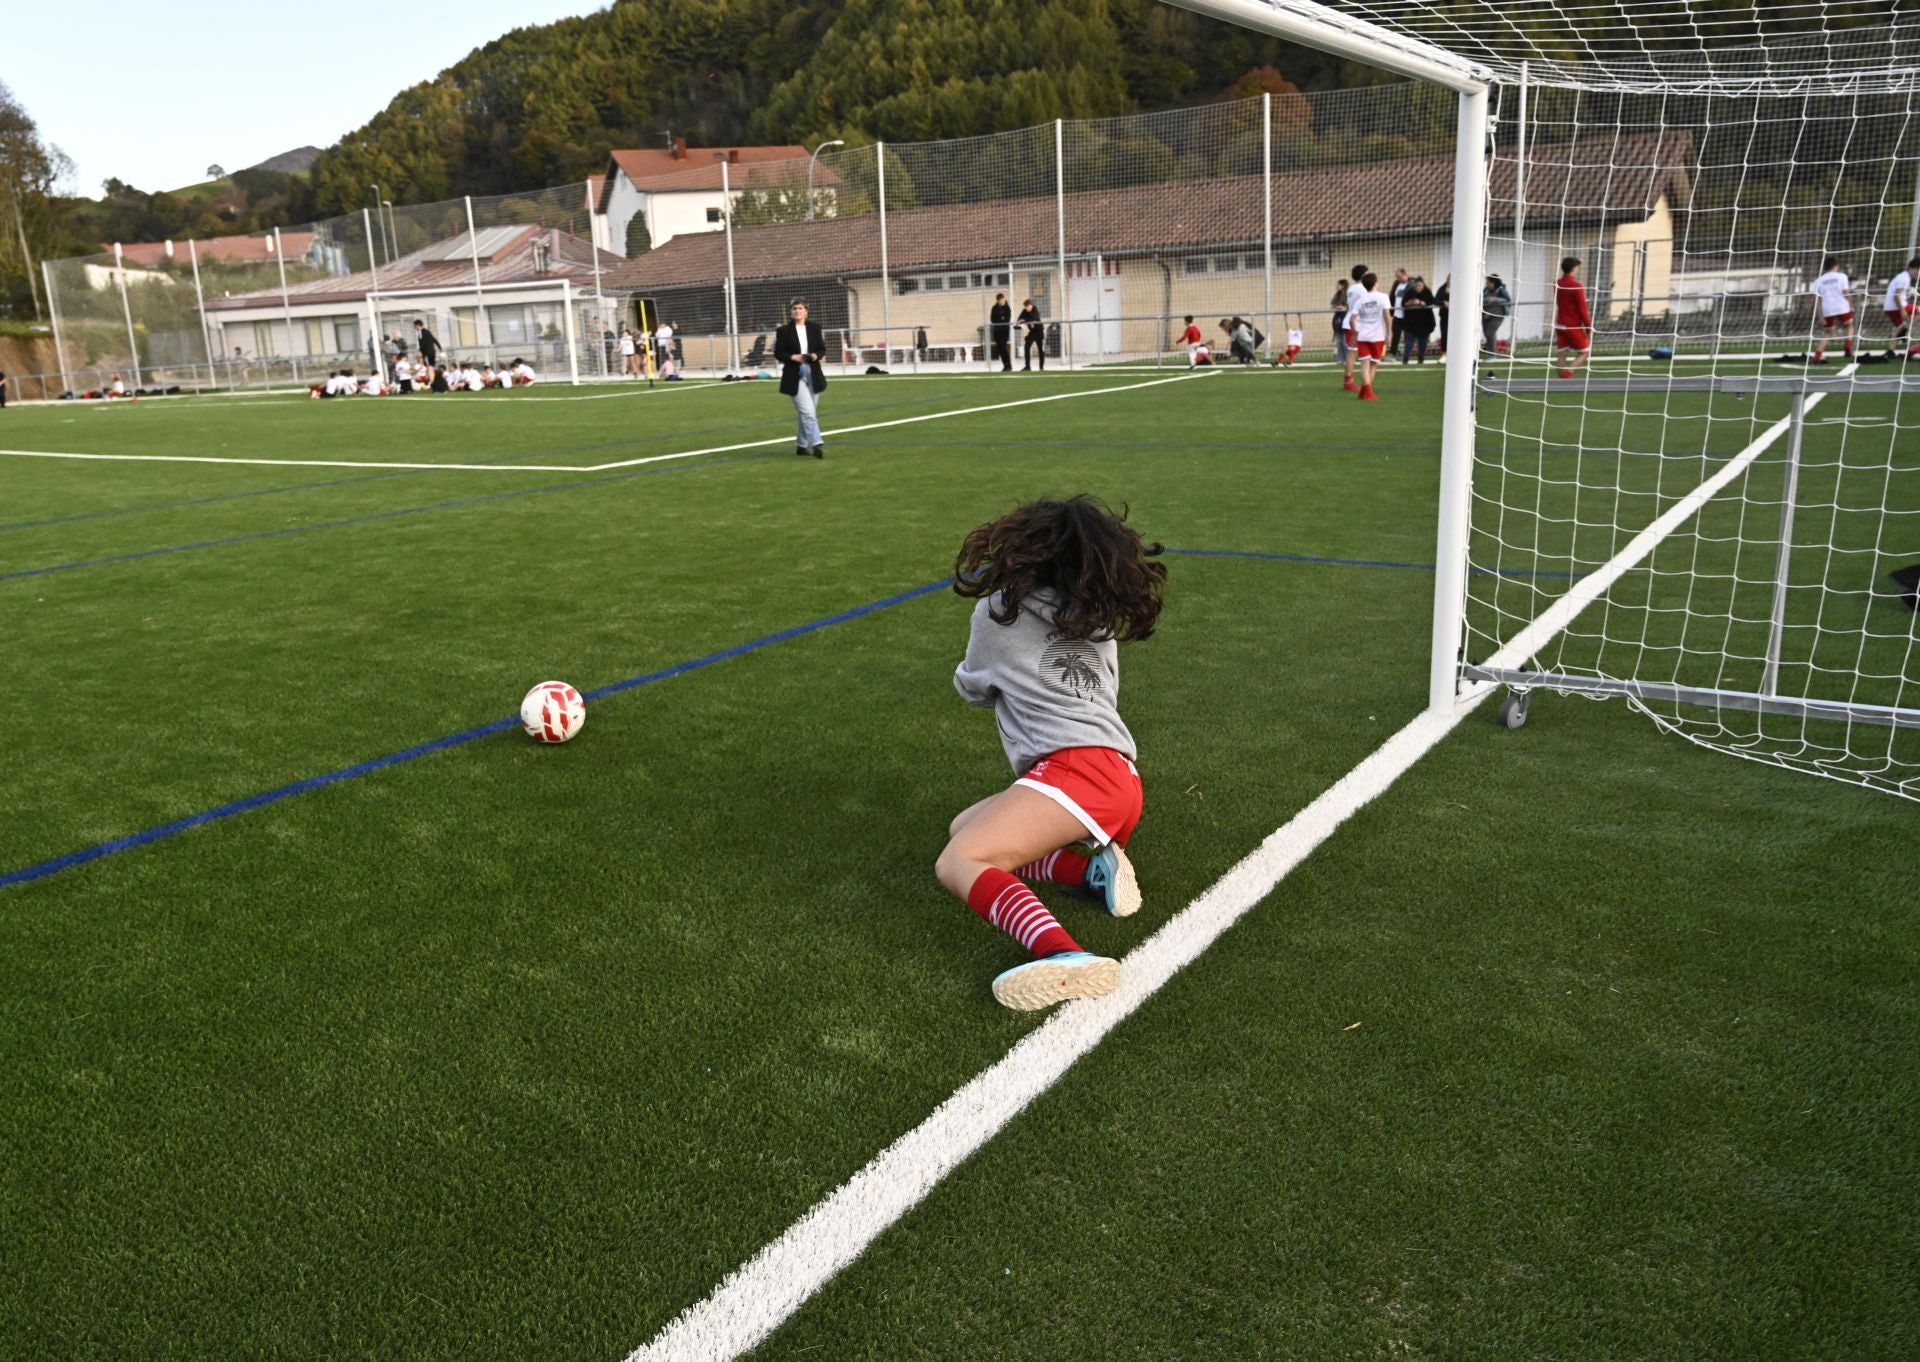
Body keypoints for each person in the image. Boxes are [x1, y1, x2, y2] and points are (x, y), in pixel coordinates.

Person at [939, 494, 1167, 1010]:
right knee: (964, 827)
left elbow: (973, 687)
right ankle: (1092, 872)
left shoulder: (998, 612)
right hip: (1118, 775)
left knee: (959, 860)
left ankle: (1064, 953)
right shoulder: (1098, 619)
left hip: (1073, 773)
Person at [775, 297, 828, 459]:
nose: (797, 311)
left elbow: (821, 349)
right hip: (794, 374)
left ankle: (801, 445)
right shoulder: (783, 331)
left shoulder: (814, 328)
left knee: (806, 412)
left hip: (813, 373)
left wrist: (814, 356)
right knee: (807, 411)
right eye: (794, 308)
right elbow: (778, 353)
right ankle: (817, 442)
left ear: (806, 311)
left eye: (800, 308)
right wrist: (793, 357)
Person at [1350, 271, 1390, 400]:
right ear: (1375, 283)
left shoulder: (1360, 300)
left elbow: (1352, 319)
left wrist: (1355, 333)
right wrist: (1390, 333)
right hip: (1377, 336)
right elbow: (1387, 317)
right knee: (1373, 364)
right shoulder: (1383, 297)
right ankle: (1368, 392)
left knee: (1364, 364)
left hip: (1362, 335)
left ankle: (1364, 391)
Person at [1810, 256, 1857, 364]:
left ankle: (1817, 355)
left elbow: (1816, 300)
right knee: (1849, 325)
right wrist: (1851, 305)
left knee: (1828, 333)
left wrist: (1820, 316)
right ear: (1836, 266)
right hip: (1842, 307)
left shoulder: (1818, 281)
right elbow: (1846, 292)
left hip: (1827, 310)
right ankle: (1847, 344)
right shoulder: (1841, 276)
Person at [1554, 256, 1593, 378]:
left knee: (1562, 352)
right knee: (1584, 352)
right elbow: (1583, 310)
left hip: (1559, 323)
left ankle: (1561, 382)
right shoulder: (1576, 286)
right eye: (1577, 268)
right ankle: (1567, 373)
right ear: (1574, 268)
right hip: (1572, 325)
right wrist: (1588, 327)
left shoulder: (1557, 284)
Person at [1884, 256, 1920, 355]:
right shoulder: (1904, 278)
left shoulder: (1902, 276)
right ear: (1913, 268)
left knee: (1900, 331)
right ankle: (1906, 330)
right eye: (1918, 270)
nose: (1918, 273)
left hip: (1889, 308)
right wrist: (1902, 310)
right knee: (1918, 311)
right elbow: (1896, 296)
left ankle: (1890, 351)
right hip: (1896, 307)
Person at [1342, 263, 1369, 391]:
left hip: (1351, 322)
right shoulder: (1362, 289)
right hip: (1354, 324)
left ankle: (1349, 381)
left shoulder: (1352, 288)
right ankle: (1348, 382)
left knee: (1353, 352)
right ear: (1363, 275)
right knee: (1352, 353)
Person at [1401, 276, 1436, 364]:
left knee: (1423, 343)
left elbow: (1432, 301)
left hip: (1424, 323)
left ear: (1423, 285)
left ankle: (1421, 359)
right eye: (1417, 286)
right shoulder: (1410, 292)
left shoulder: (1427, 292)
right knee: (1409, 342)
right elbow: (1403, 303)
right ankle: (1405, 359)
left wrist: (1421, 303)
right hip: (1411, 323)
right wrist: (1410, 303)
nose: (1418, 287)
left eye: (1420, 285)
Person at [1481, 274, 1512, 354]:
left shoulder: (1501, 290)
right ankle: (1490, 350)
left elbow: (1508, 300)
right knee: (1487, 333)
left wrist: (1496, 299)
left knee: (1490, 332)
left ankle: (1493, 354)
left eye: (1488, 282)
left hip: (1497, 315)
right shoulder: (1486, 290)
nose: (1487, 284)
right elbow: (1482, 299)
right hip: (1486, 315)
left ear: (1494, 282)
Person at [1388, 267, 1410, 359]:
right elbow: (1392, 296)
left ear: (1405, 275)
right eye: (1397, 277)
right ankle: (1393, 353)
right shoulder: (1396, 283)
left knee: (1407, 335)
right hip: (1396, 314)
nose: (1398, 278)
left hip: (1407, 315)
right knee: (1395, 335)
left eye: (1399, 276)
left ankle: (1406, 354)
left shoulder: (1411, 284)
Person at [1018, 299, 1045, 371]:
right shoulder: (1024, 311)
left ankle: (1041, 367)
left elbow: (1034, 318)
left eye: (1028, 306)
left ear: (1031, 305)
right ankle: (1027, 366)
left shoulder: (1035, 309)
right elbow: (1019, 319)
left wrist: (1025, 321)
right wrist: (1023, 321)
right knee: (1027, 346)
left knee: (1040, 349)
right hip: (1032, 332)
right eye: (1026, 307)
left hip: (1039, 331)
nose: (1027, 308)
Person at [990, 292, 1014, 371]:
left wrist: (1000, 320)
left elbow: (1007, 319)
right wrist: (1001, 319)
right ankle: (1005, 365)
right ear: (998, 300)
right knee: (1000, 349)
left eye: (1003, 299)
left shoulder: (1007, 308)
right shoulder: (994, 308)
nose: (1002, 301)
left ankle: (1009, 364)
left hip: (1004, 331)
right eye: (1001, 300)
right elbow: (993, 319)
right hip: (997, 331)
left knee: (1004, 348)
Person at [1331, 279, 1350, 368]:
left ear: (1343, 285)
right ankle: (1340, 359)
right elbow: (1333, 305)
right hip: (1337, 319)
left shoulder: (1347, 295)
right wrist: (1336, 307)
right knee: (1338, 342)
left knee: (1345, 341)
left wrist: (1342, 307)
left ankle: (1347, 359)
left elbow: (1346, 307)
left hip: (1345, 318)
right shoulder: (1336, 295)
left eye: (1339, 285)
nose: (1337, 286)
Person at [1435, 275, 1452, 354]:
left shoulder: (1458, 289)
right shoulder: (1442, 289)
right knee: (1444, 334)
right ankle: (1444, 352)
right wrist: (1443, 302)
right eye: (1448, 279)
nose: (1449, 281)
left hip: (1455, 317)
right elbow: (1436, 300)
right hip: (1444, 316)